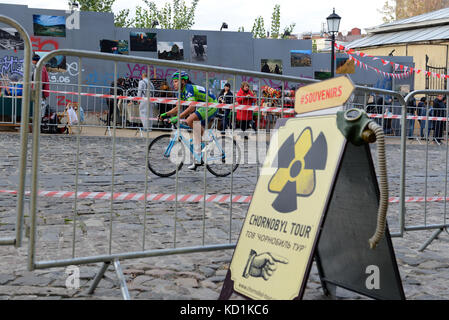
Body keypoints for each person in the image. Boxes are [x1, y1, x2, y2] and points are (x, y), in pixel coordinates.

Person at [159, 71, 218, 170]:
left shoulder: (188, 88)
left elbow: (191, 107)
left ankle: (208, 138)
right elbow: (177, 108)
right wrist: (165, 114)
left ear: (183, 81)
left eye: (176, 81)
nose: (174, 84)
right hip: (202, 106)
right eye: (173, 82)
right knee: (196, 133)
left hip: (212, 104)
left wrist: (178, 117)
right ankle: (198, 159)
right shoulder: (181, 92)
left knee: (189, 120)